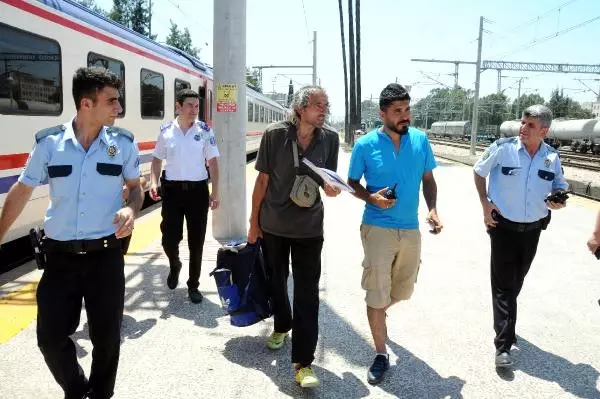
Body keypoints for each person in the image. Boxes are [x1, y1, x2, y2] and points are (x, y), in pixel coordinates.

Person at [0, 66, 143, 399]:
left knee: (107, 341)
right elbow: (21, 191)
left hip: (106, 256)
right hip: (60, 257)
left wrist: (131, 209)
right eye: (112, 101)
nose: (118, 108)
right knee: (49, 339)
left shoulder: (122, 144)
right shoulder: (50, 144)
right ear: (86, 103)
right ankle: (77, 390)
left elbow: (135, 188)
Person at [347, 83, 442, 385]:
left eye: (407, 110)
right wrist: (372, 198)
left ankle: (377, 310)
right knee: (377, 293)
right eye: (398, 111)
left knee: (403, 291)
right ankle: (380, 353)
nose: (405, 116)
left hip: (410, 228)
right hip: (377, 227)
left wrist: (433, 209)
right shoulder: (365, 145)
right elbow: (352, 183)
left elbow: (428, 179)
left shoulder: (420, 140)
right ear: (383, 113)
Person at [247, 85, 340, 388]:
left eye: (326, 105)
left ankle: (303, 363)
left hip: (309, 229)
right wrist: (253, 222)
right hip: (273, 224)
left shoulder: (330, 139)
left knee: (307, 294)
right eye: (317, 105)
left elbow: (329, 178)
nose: (323, 110)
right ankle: (281, 324)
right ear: (301, 108)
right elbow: (262, 180)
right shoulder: (275, 135)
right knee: (276, 280)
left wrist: (330, 187)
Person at [473, 104, 568, 369]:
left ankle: (507, 325)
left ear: (544, 131)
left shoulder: (551, 156)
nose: (523, 128)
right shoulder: (503, 148)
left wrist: (559, 198)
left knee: (515, 283)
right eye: (523, 122)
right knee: (504, 286)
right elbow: (479, 172)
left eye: (530, 125)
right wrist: (485, 202)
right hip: (502, 227)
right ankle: (503, 345)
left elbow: (559, 184)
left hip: (533, 230)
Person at [149, 89, 219, 304]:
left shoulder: (205, 131)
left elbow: (214, 163)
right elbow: (156, 160)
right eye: (189, 105)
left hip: (197, 191)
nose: (194, 110)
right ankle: (175, 264)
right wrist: (154, 182)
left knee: (196, 242)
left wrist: (216, 191)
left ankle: (193, 285)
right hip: (172, 191)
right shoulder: (166, 131)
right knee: (169, 239)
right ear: (178, 107)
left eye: (197, 106)